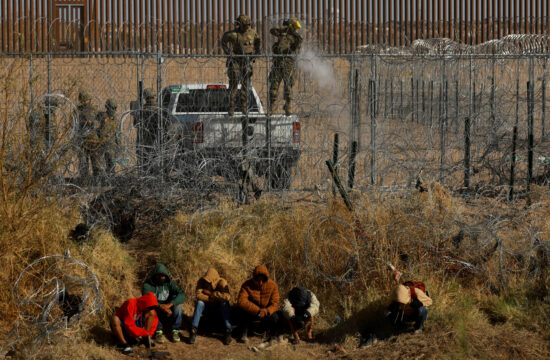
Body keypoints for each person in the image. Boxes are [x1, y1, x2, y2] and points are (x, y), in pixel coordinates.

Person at [221, 14, 261, 115]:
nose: (248, 26)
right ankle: (231, 107)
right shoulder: (233, 34)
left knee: (246, 84)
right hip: (236, 61)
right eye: (246, 24)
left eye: (249, 24)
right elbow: (223, 41)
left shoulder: (252, 33)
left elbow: (258, 42)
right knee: (234, 84)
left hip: (247, 61)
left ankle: (244, 106)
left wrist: (256, 54)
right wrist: (229, 53)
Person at [142, 263, 186, 343]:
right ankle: (158, 332)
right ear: (155, 275)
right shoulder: (147, 285)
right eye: (159, 275)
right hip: (156, 312)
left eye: (163, 275)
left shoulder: (169, 283)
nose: (162, 277)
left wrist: (170, 304)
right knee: (150, 307)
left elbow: (182, 294)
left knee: (178, 305)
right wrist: (160, 306)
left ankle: (175, 331)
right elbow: (147, 299)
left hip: (168, 311)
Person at [268, 18, 303, 115]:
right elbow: (272, 31)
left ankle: (288, 106)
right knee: (274, 86)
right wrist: (283, 30)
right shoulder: (282, 33)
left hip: (288, 64)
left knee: (288, 87)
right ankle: (273, 106)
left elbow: (296, 48)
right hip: (277, 63)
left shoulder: (296, 37)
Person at [236, 265, 279, 343]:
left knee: (275, 317)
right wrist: (257, 310)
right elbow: (241, 301)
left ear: (266, 278)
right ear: (254, 278)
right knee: (242, 312)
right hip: (253, 311)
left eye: (262, 280)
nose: (260, 283)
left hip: (266, 312)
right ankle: (243, 334)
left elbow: (275, 303)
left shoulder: (273, 285)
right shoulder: (247, 285)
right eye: (258, 280)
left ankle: (273, 336)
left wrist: (266, 310)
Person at [189, 268, 232, 345]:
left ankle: (228, 330)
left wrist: (213, 294)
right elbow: (198, 295)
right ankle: (193, 330)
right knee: (199, 303)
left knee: (224, 303)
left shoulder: (222, 282)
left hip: (219, 308)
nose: (206, 282)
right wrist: (210, 298)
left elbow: (227, 297)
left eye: (208, 281)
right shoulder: (201, 282)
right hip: (207, 307)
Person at [76, 90, 100, 183]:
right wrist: (83, 123)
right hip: (82, 138)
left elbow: (98, 122)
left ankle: (97, 180)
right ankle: (85, 181)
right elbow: (74, 123)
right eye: (84, 100)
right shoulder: (77, 110)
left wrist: (92, 123)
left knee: (95, 160)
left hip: (92, 138)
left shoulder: (94, 109)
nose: (86, 102)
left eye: (87, 100)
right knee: (83, 161)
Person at [137, 88, 159, 173]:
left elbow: (136, 123)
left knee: (145, 160)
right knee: (154, 159)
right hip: (156, 137)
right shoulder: (159, 108)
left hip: (145, 138)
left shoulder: (141, 110)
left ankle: (147, 176)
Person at [96, 98, 118, 176]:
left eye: (115, 108)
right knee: (98, 164)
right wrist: (102, 122)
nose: (114, 110)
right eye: (112, 108)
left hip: (111, 144)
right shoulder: (101, 116)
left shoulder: (115, 119)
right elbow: (96, 129)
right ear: (107, 107)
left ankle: (111, 175)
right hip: (101, 143)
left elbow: (117, 133)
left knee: (111, 163)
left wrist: (119, 144)